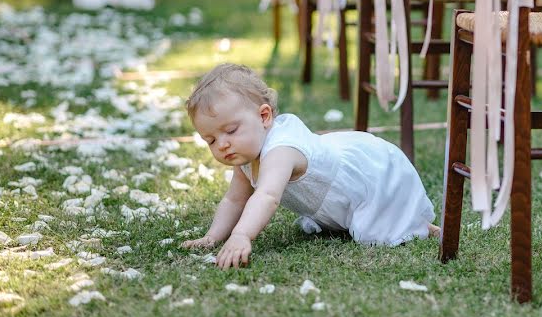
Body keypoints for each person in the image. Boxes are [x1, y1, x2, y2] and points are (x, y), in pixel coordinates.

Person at [181, 63, 437, 269]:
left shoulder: (281, 150)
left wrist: (242, 235)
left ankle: (420, 225)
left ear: (264, 116)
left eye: (231, 130)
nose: (222, 145)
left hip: (371, 175)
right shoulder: (246, 157)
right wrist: (213, 237)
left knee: (385, 226)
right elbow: (234, 201)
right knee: (348, 221)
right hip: (334, 193)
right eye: (211, 140)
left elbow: (267, 196)